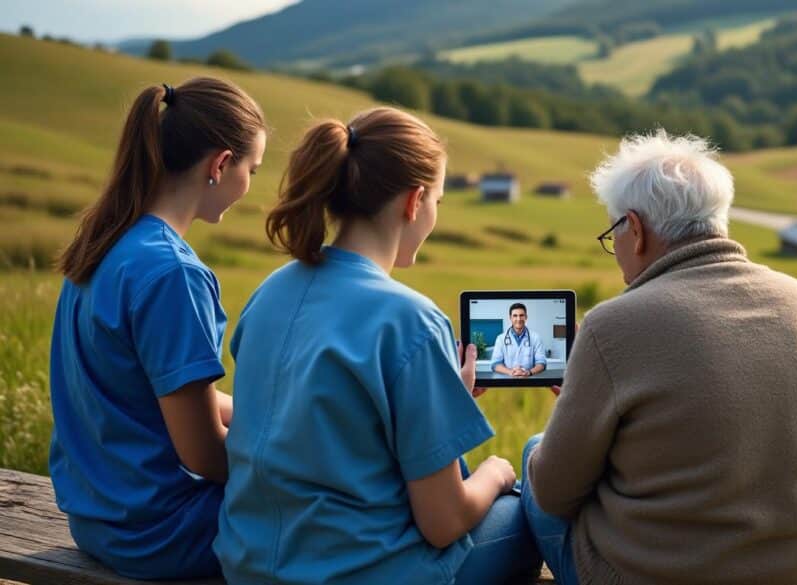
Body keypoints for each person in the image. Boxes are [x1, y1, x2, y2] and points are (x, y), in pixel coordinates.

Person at [214, 107, 541, 585]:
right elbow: (442, 521)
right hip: (366, 574)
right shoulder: (411, 320)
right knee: (522, 515)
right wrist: (497, 473)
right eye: (438, 202)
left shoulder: (271, 291)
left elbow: (321, 433)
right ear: (414, 202)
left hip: (248, 565)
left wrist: (441, 402)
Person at [520, 130, 797, 584]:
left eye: (613, 233)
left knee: (536, 452)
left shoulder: (612, 324)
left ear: (636, 226)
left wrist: (576, 408)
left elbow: (554, 494)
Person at [49, 77, 267, 579]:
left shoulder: (107, 242)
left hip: (98, 517)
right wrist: (302, 462)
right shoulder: (174, 274)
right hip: (162, 533)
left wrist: (270, 416)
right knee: (347, 509)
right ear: (219, 164)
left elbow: (156, 394)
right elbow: (206, 456)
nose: (249, 185)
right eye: (250, 170)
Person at [490, 302, 547, 378]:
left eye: (521, 315)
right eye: (515, 316)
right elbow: (495, 364)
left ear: (526, 317)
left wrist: (529, 372)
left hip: (530, 382)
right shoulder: (500, 338)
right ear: (510, 318)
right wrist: (510, 372)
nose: (518, 319)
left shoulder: (536, 337)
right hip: (507, 383)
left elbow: (541, 363)